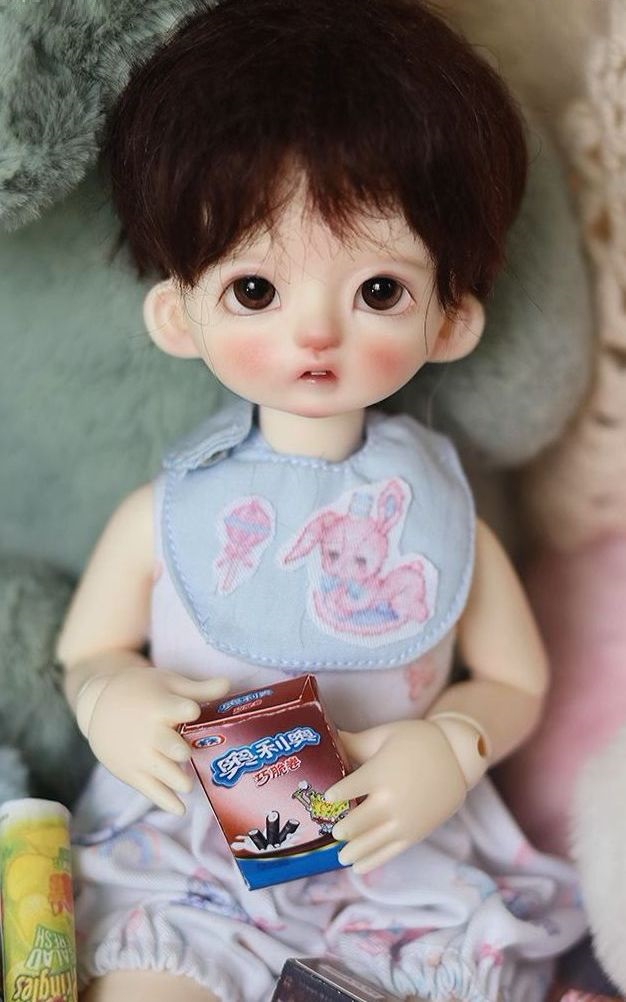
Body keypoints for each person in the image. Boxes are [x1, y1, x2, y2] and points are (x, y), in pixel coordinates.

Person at [57, 0, 586, 998]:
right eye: (254, 290)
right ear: (177, 314)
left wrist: (453, 745)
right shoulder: (168, 513)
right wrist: (109, 699)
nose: (315, 335)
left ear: (450, 319)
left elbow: (514, 678)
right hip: (195, 852)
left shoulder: (440, 520)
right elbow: (89, 649)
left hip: (393, 853)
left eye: (378, 291)